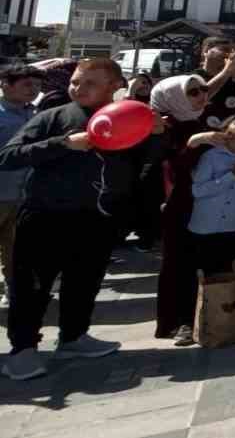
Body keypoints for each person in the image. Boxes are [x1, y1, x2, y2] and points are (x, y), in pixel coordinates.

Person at [0, 59, 160, 380]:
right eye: (76, 81)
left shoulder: (128, 118)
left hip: (97, 218)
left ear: (115, 86)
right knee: (32, 287)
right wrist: (63, 144)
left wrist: (154, 134)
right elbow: (8, 156)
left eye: (90, 83)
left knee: (84, 283)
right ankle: (23, 349)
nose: (78, 88)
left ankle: (73, 337)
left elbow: (143, 168)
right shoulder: (54, 116)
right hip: (44, 216)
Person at [149, 74, 222, 344]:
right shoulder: (162, 128)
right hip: (180, 205)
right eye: (193, 92)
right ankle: (181, 320)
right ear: (174, 97)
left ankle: (213, 310)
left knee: (210, 257)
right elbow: (171, 168)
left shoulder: (201, 119)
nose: (202, 95)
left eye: (203, 89)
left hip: (210, 202)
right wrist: (196, 142)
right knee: (180, 263)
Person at [187, 113, 235, 296]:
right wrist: (233, 174)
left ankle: (233, 318)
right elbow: (199, 191)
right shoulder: (210, 157)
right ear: (226, 129)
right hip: (207, 228)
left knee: (234, 275)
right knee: (207, 277)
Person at [0, 67, 41, 305]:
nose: (34, 90)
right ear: (6, 84)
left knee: (16, 250)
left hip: (24, 196)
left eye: (37, 86)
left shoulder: (35, 114)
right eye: (27, 84)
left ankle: (13, 292)